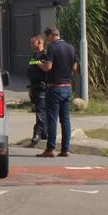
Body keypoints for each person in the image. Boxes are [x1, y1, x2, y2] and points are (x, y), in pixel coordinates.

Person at [38, 27, 78, 158]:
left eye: (47, 37)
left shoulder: (53, 47)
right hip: (67, 87)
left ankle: (50, 149)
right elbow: (74, 67)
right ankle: (65, 149)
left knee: (52, 118)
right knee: (65, 119)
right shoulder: (70, 47)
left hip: (54, 87)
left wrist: (39, 63)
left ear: (50, 36)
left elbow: (48, 67)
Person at [26, 35, 47, 147]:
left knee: (40, 112)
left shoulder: (45, 55)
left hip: (42, 88)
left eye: (32, 43)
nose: (30, 45)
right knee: (40, 111)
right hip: (34, 87)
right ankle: (44, 133)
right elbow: (30, 71)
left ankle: (36, 136)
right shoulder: (34, 56)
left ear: (39, 42)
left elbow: (47, 70)